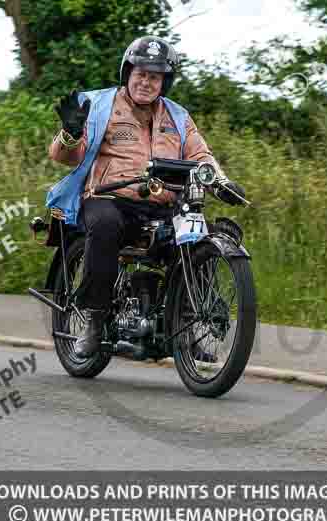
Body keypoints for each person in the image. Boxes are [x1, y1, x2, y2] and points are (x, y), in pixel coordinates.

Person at [47, 35, 246, 359]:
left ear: (164, 82)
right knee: (106, 226)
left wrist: (221, 181)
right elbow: (67, 156)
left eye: (154, 76)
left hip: (163, 204)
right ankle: (95, 322)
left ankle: (186, 326)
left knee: (201, 235)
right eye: (140, 73)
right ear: (127, 72)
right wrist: (70, 133)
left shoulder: (178, 117)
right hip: (109, 198)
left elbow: (201, 155)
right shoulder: (99, 106)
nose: (146, 82)